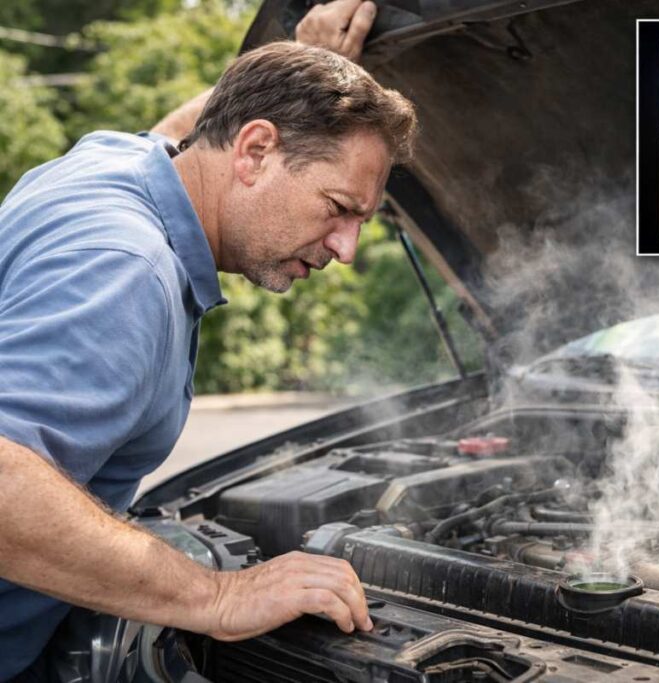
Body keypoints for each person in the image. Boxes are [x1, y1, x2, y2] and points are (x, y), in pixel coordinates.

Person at [0, 1, 417, 679]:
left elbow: (188, 132)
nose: (347, 248)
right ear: (254, 150)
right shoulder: (128, 268)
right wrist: (219, 594)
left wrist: (297, 52)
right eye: (340, 208)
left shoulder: (118, 163)